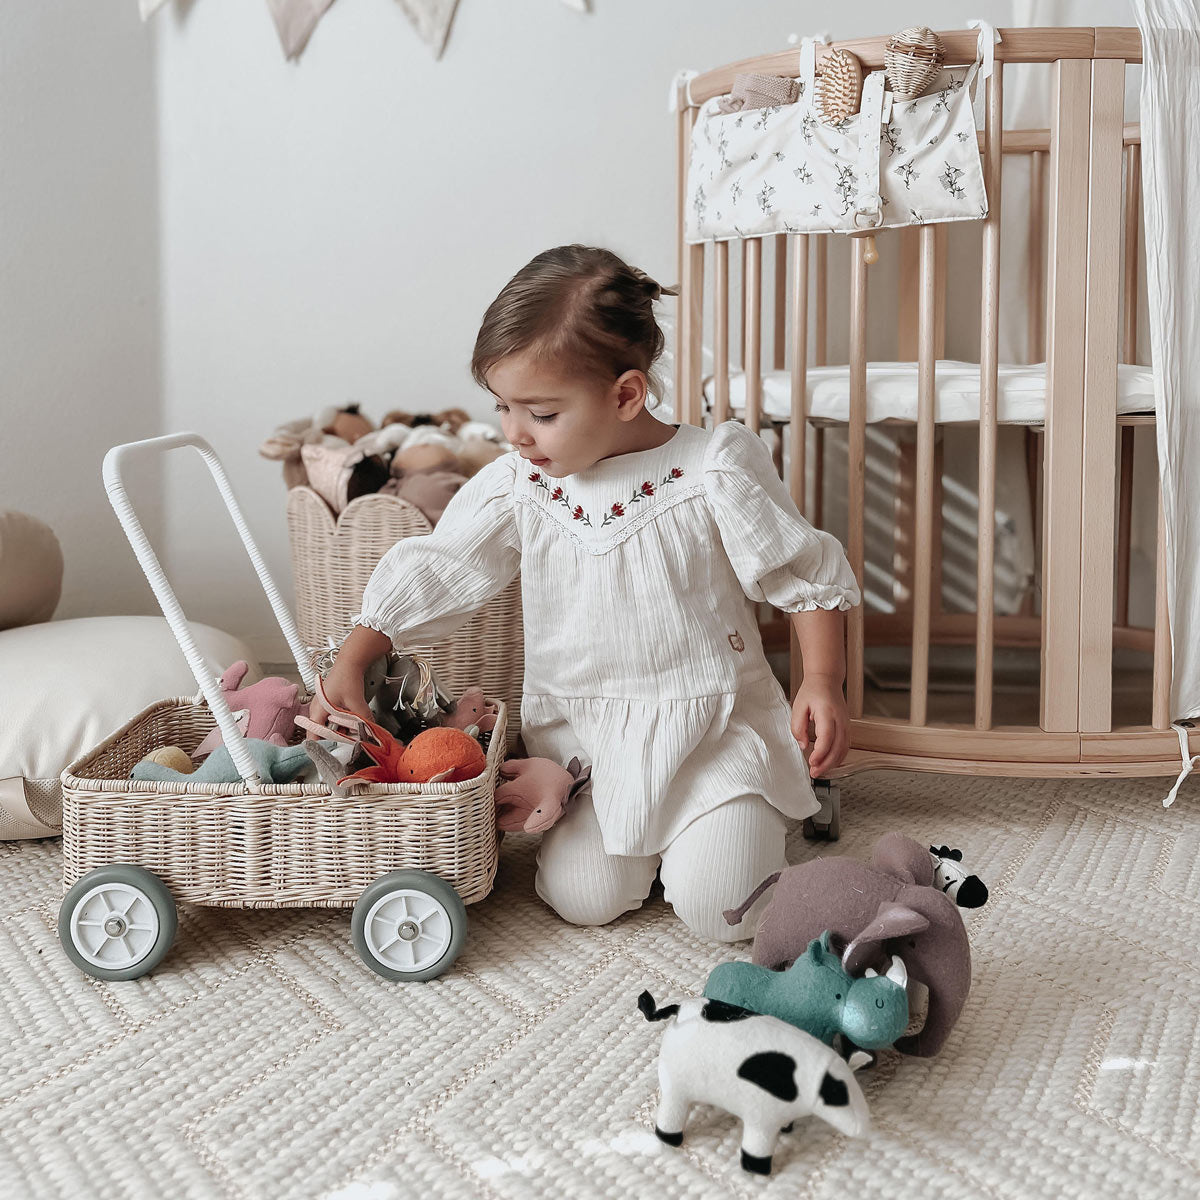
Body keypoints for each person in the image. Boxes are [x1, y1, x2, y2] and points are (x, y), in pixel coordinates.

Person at [313, 244, 860, 941]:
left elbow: (799, 571)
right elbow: (442, 566)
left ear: (626, 394)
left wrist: (822, 679)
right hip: (589, 746)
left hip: (709, 735)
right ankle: (660, 842)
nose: (514, 432)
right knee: (584, 899)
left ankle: (739, 817)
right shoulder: (522, 482)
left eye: (539, 413)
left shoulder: (710, 466)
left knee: (725, 911)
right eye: (503, 407)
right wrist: (355, 656)